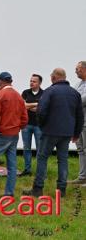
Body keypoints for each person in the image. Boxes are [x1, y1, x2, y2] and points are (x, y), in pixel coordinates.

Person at [23, 68, 84, 197]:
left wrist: (42, 125)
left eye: (51, 75)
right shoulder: (75, 93)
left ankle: (38, 188)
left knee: (42, 158)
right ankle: (61, 190)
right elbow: (80, 115)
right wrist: (76, 133)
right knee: (63, 159)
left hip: (50, 131)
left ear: (54, 77)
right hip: (67, 132)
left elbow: (41, 110)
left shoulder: (50, 91)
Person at [19, 74, 44, 176]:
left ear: (39, 83)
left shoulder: (44, 93)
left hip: (39, 125)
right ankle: (27, 169)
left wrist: (29, 106)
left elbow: (43, 108)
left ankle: (40, 171)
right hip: (26, 124)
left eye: (34, 81)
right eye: (31, 81)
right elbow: (22, 106)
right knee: (26, 148)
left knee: (40, 149)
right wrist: (36, 104)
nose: (31, 83)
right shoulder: (25, 92)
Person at [69, 61, 86, 185]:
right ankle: (82, 177)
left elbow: (81, 100)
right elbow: (71, 95)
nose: (75, 71)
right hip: (78, 122)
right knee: (80, 149)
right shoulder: (79, 84)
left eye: (78, 69)